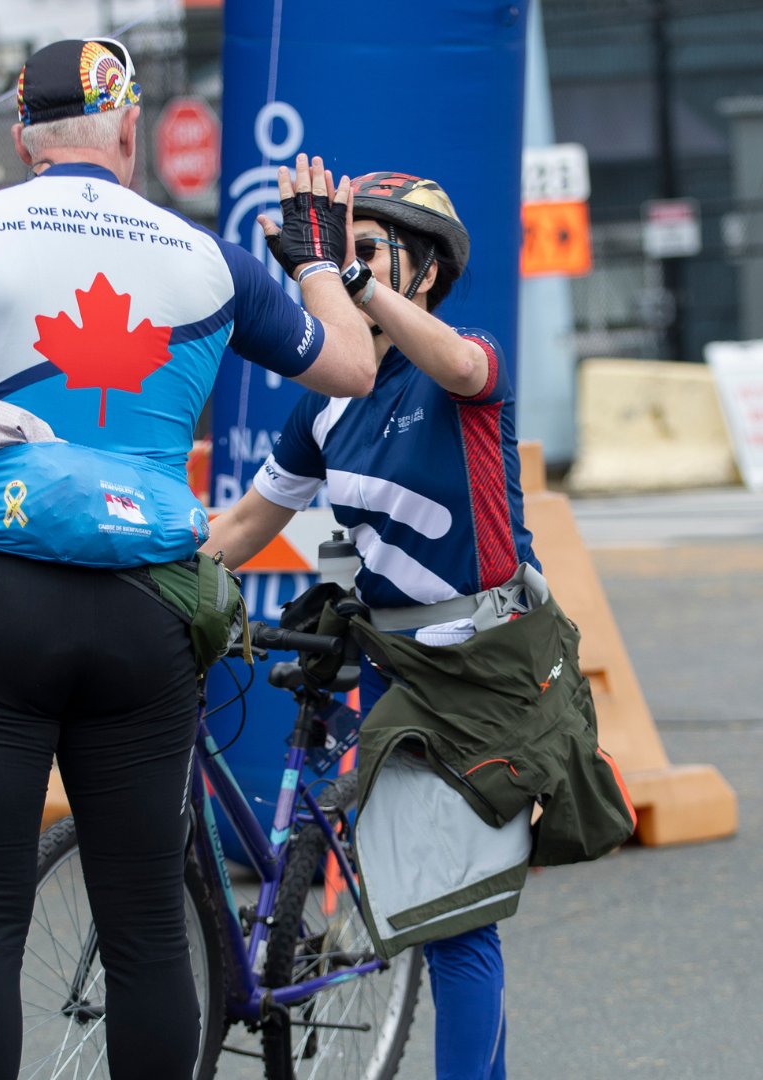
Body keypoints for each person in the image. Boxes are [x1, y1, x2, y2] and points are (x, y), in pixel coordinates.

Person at [0, 36, 373, 1080]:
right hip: (147, 608)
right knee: (144, 924)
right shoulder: (203, 259)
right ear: (131, 132)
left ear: (22, 139)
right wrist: (315, 256)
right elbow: (355, 365)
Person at [203, 170, 541, 1080]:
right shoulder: (327, 400)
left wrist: (344, 282)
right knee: (430, 919)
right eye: (336, 248)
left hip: (482, 664)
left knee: (457, 927)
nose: (344, 264)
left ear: (422, 272)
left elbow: (466, 368)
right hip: (394, 662)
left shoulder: (463, 362)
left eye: (369, 249)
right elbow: (239, 529)